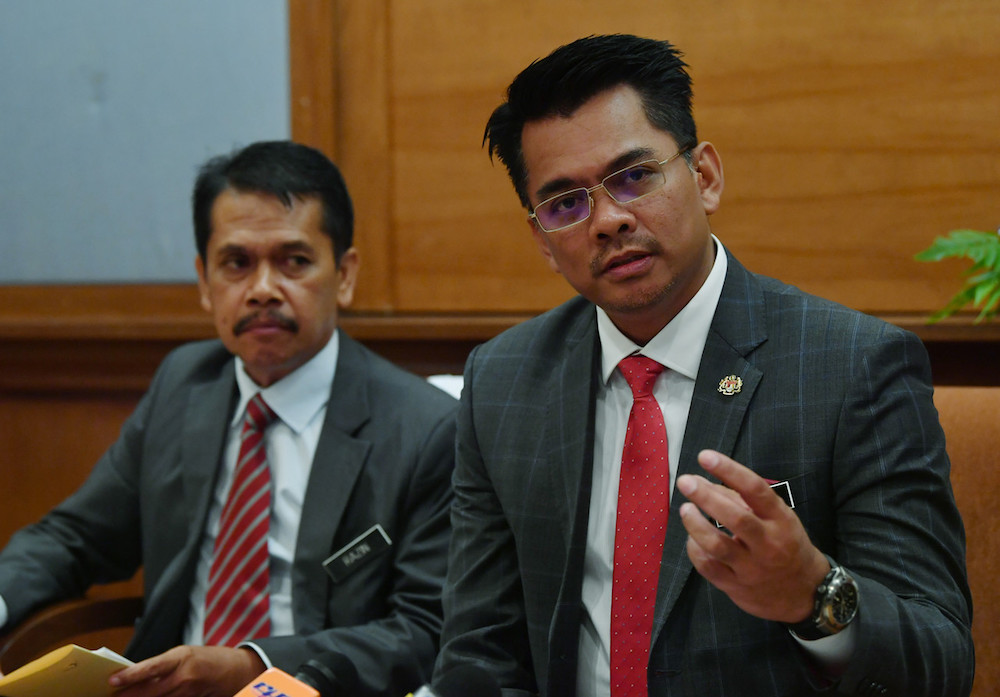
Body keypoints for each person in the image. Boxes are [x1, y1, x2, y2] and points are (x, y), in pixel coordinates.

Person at [434, 34, 973, 697]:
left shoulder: (853, 365)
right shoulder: (503, 382)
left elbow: (941, 660)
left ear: (706, 176)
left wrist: (814, 594)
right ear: (543, 240)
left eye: (633, 177)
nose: (606, 219)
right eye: (565, 204)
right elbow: (479, 654)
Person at [0, 141, 458, 697]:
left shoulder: (425, 428)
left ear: (343, 274)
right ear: (203, 280)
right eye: (237, 264)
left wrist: (251, 665)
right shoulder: (185, 384)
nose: (262, 290)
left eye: (293, 261)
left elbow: (426, 631)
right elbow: (75, 538)